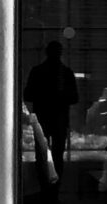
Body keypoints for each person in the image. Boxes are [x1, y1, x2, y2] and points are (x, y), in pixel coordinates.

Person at [24, 41, 80, 186]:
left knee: (42, 155)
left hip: (43, 118)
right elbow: (74, 98)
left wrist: (43, 96)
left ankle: (44, 188)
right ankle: (54, 190)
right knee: (57, 155)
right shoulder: (66, 73)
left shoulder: (37, 72)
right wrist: (60, 97)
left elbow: (28, 95)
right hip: (59, 119)